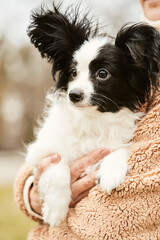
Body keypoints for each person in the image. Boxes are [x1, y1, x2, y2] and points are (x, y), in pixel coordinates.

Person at [14, 1, 160, 239]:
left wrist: (118, 157)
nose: (76, 87)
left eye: (101, 74)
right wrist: (40, 189)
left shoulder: (138, 59)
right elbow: (35, 161)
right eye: (74, 72)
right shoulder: (62, 122)